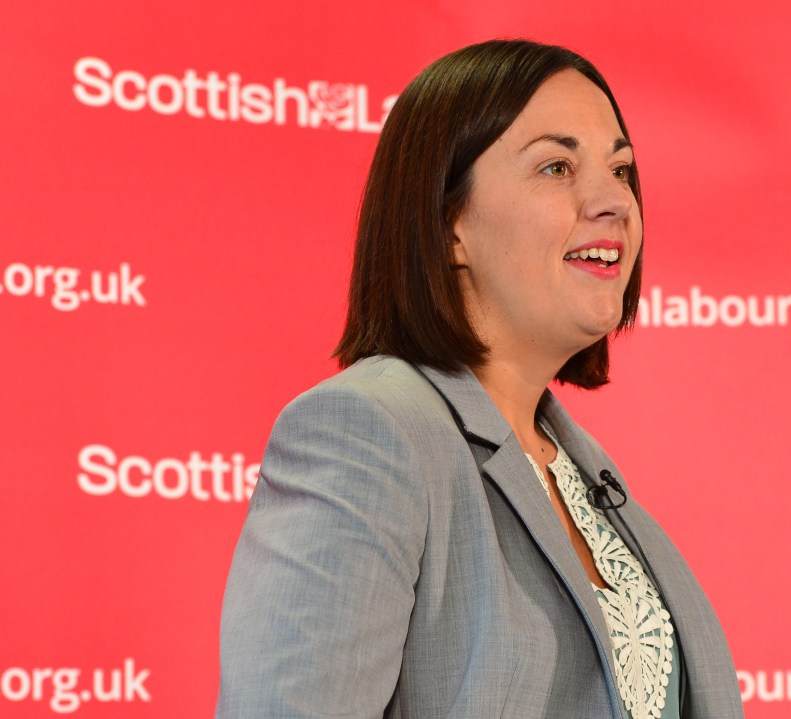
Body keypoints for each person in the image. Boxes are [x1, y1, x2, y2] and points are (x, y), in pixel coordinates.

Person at [217, 39, 742, 719]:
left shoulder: (582, 468)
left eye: (620, 169)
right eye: (556, 167)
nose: (613, 200)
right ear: (448, 227)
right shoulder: (369, 432)